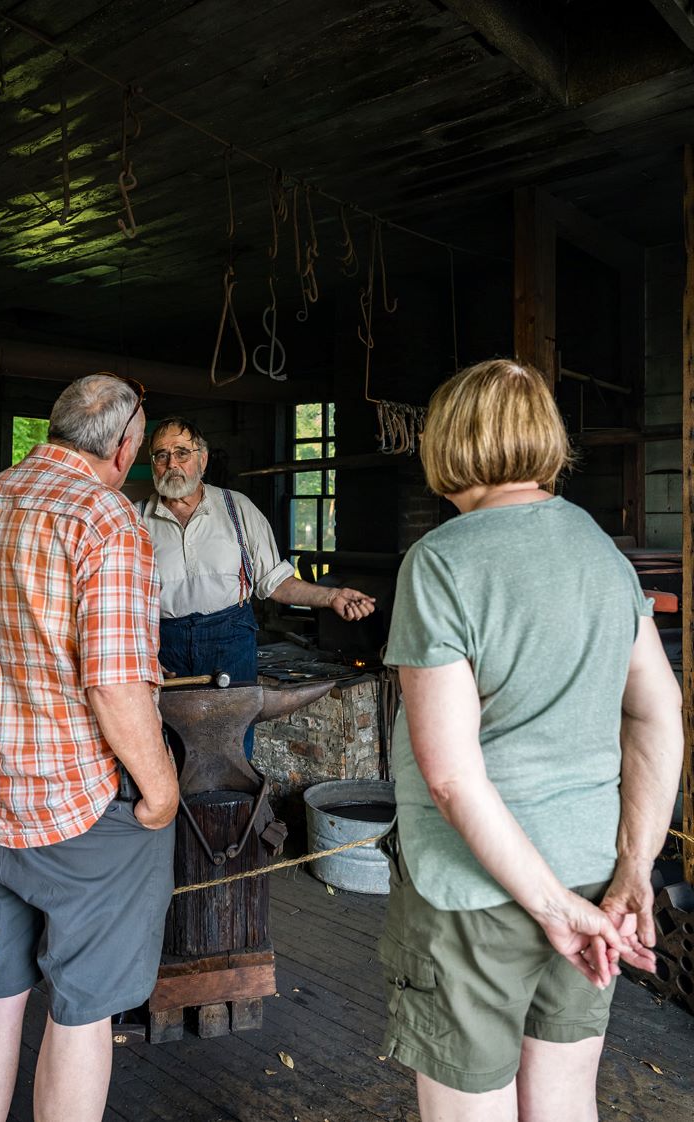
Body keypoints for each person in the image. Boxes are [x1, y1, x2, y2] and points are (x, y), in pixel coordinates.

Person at [379, 359, 683, 1122]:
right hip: (590, 878)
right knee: (562, 1101)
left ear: (445, 444)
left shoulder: (442, 562)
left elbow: (450, 776)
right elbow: (658, 710)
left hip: (474, 891)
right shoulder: (601, 552)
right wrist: (634, 866)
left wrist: (547, 906)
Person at [0, 373, 179, 1122]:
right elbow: (117, 689)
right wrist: (160, 792)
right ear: (126, 446)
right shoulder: (105, 519)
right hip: (83, 811)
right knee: (83, 1006)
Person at [137, 416, 376, 755]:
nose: (171, 464)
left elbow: (275, 582)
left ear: (202, 459)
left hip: (229, 640)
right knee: (172, 748)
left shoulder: (238, 509)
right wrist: (141, 650)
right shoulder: (134, 520)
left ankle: (234, 809)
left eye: (181, 452)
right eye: (161, 455)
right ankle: (180, 809)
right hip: (165, 647)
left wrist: (332, 596)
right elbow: (122, 601)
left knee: (233, 746)